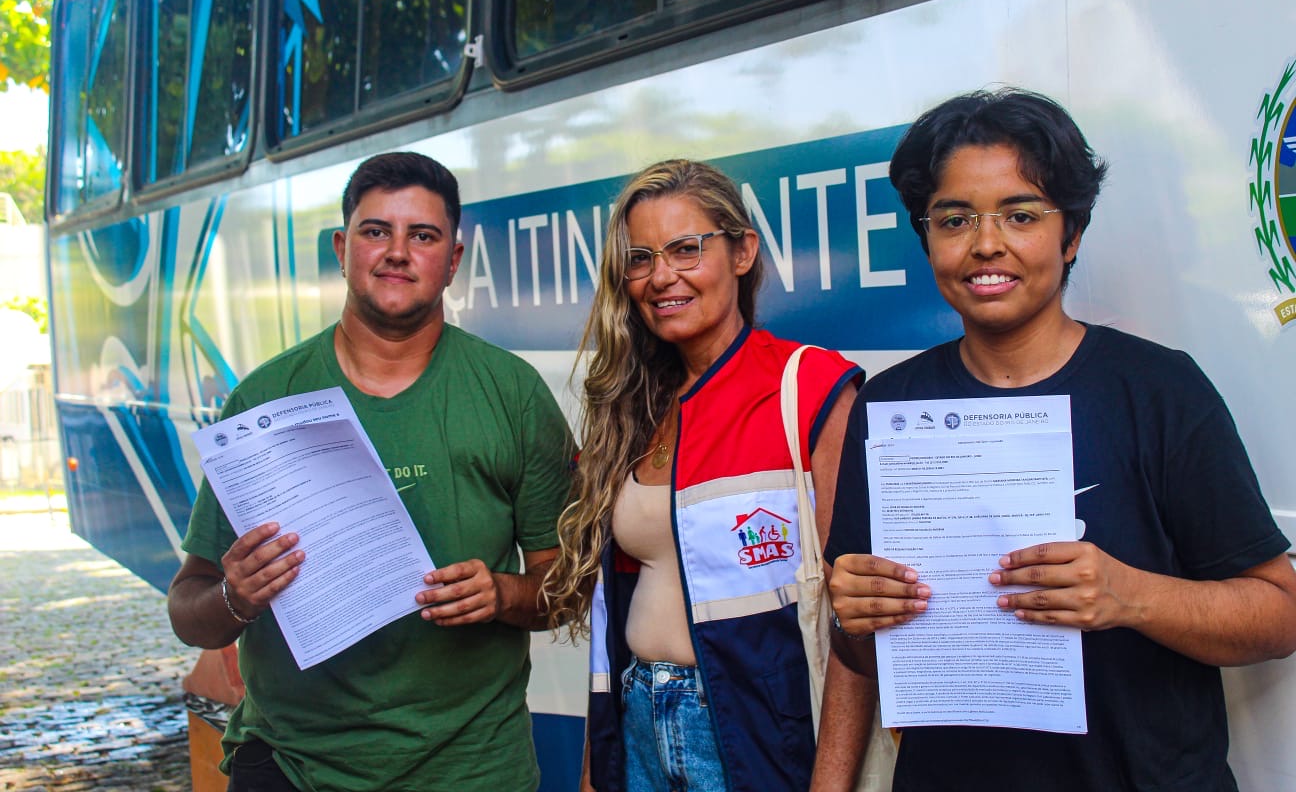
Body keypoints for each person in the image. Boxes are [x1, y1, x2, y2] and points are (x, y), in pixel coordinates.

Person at [823, 89, 1296, 791]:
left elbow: (1279, 612)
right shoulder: (892, 407)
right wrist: (855, 618)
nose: (987, 244)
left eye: (1020, 215)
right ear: (928, 239)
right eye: (954, 219)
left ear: (1070, 235)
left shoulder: (1158, 390)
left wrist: (1129, 596)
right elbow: (864, 653)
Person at [167, 152, 575, 792]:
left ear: (454, 260)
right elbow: (188, 606)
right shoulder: (263, 402)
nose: (397, 252)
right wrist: (234, 597)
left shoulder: (513, 394)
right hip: (291, 766)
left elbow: (569, 588)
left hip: (472, 770)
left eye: (423, 235)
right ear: (342, 246)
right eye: (376, 230)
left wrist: (503, 594)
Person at [542, 158, 875, 791]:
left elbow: (855, 627)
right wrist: (594, 767)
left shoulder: (807, 388)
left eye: (686, 249)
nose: (660, 276)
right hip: (638, 717)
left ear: (743, 251)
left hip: (753, 740)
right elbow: (612, 615)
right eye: (640, 258)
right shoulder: (631, 406)